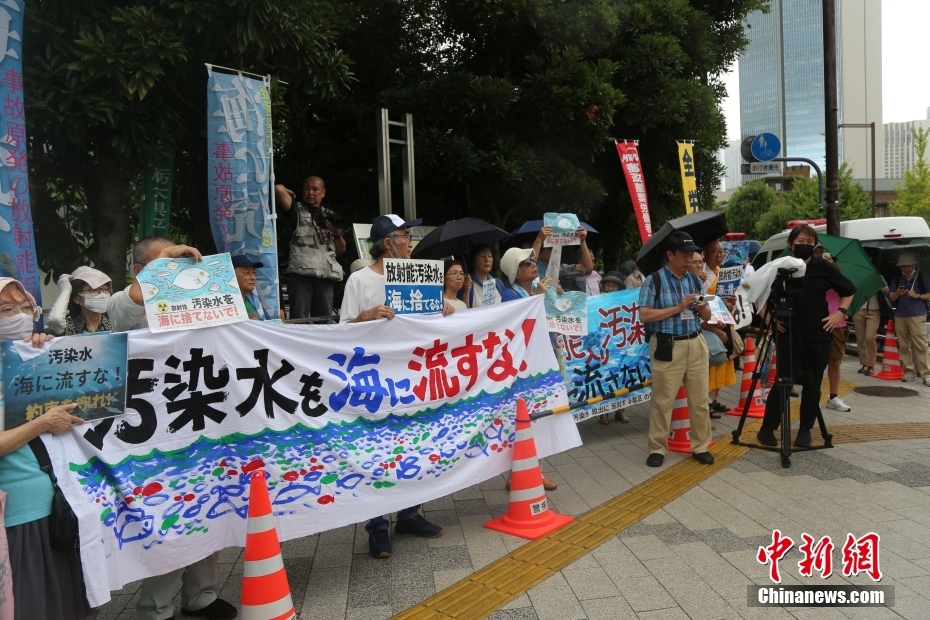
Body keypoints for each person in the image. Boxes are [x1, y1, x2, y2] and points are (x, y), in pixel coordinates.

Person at [106, 237, 237, 620]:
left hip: (204, 417)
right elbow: (127, 308)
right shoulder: (124, 303)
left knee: (211, 505)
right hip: (156, 433)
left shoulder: (196, 302)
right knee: (170, 515)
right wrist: (161, 264)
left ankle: (202, 596)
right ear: (139, 271)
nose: (176, 271)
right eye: (166, 264)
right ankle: (155, 608)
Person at [339, 214, 448, 558]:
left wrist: (441, 310)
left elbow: (426, 325)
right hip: (373, 382)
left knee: (413, 444)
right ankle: (377, 526)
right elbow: (341, 330)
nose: (410, 243)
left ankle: (409, 514)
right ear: (388, 243)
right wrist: (364, 317)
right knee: (375, 452)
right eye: (404, 237)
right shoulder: (359, 280)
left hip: (410, 378)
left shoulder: (419, 275)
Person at [0, 277, 96, 620]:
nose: (19, 316)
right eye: (6, 309)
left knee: (65, 603)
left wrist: (52, 354)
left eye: (26, 307)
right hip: (14, 516)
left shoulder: (36, 355)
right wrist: (42, 423)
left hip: (58, 503)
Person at [756, 225, 856, 448]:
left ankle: (805, 429)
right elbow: (756, 293)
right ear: (790, 244)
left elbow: (849, 290)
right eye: (800, 242)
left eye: (810, 242)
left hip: (818, 335)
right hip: (788, 334)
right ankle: (767, 428)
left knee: (813, 384)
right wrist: (770, 318)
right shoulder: (779, 266)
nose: (805, 246)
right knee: (783, 382)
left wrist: (839, 313)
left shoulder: (824, 267)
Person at [638, 231, 715, 467]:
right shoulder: (655, 280)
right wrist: (678, 307)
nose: (689, 259)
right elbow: (644, 315)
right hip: (667, 344)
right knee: (663, 402)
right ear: (670, 254)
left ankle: (701, 446)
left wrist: (701, 307)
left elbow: (707, 315)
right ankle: (657, 448)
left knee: (700, 400)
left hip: (696, 342)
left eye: (692, 254)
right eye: (684, 254)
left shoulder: (695, 280)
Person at [275, 176, 346, 319]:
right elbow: (277, 189)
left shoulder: (329, 215)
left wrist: (337, 234)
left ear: (323, 193)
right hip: (301, 278)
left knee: (324, 321)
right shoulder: (295, 210)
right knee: (299, 320)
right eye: (307, 188)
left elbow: (341, 249)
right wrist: (287, 190)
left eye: (315, 189)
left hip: (325, 277)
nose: (311, 192)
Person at [701, 240, 737, 418]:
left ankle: (715, 399)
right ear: (705, 253)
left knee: (723, 361)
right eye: (714, 251)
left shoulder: (723, 273)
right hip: (709, 323)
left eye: (722, 251)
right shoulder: (702, 276)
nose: (719, 254)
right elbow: (702, 301)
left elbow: (727, 303)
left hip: (724, 320)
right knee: (712, 362)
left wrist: (731, 303)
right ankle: (706, 403)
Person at [888, 252, 930, 385]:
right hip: (900, 315)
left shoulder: (923, 277)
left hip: (918, 314)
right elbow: (891, 298)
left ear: (914, 265)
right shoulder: (897, 279)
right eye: (903, 266)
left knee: (921, 345)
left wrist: (919, 295)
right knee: (904, 345)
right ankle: (909, 372)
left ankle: (926, 374)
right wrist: (897, 293)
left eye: (908, 266)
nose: (905, 269)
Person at [598, 272, 630, 425]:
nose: (610, 288)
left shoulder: (625, 303)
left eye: (614, 286)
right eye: (607, 285)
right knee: (604, 378)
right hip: (603, 347)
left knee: (621, 378)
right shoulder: (596, 302)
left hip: (620, 345)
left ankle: (620, 411)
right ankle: (603, 413)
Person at [48, 266, 113, 336]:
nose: (102, 294)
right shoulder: (70, 327)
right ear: (77, 298)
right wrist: (66, 290)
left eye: (105, 289)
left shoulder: (113, 326)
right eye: (94, 290)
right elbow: (55, 320)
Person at [852, 282, 888, 376]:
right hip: (858, 309)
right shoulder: (860, 278)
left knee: (870, 337)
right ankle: (864, 364)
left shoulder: (878, 278)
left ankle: (871, 365)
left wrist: (877, 286)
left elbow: (886, 290)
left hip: (874, 310)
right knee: (860, 338)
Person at [232, 254, 276, 321]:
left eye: (254, 273)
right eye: (247, 273)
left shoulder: (253, 300)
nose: (253, 278)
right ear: (233, 275)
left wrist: (277, 313)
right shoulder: (226, 305)